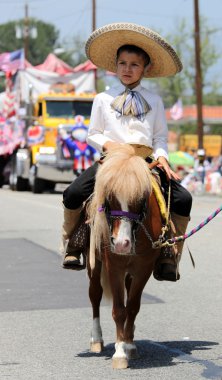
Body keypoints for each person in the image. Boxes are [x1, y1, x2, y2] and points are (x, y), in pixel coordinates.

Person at [61, 22, 192, 281]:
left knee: (184, 199)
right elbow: (93, 134)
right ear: (115, 66)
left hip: (145, 163)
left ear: (146, 68)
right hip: (112, 161)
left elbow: (159, 137)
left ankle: (169, 253)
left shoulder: (154, 100)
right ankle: (74, 243)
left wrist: (162, 157)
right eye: (122, 63)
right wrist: (110, 146)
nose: (127, 69)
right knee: (73, 193)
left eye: (134, 64)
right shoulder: (102, 98)